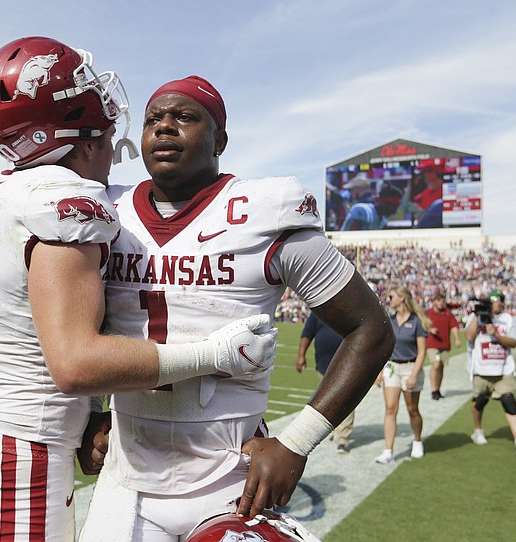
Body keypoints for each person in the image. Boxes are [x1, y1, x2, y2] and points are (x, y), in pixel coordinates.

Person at [0, 39, 278, 542]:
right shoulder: (62, 200)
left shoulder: (1, 192)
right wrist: (213, 354)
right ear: (73, 129)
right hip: (22, 454)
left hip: (3, 440)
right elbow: (77, 363)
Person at [79, 75, 395, 541]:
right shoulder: (106, 211)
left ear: (220, 139)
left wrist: (296, 442)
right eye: (153, 120)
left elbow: (371, 329)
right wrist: (90, 413)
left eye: (184, 117)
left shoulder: (263, 212)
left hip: (232, 482)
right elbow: (81, 329)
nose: (164, 128)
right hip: (127, 481)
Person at [465, 290, 516, 455]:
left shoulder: (508, 319)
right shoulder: (476, 317)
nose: (496, 304)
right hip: (481, 369)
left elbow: (514, 342)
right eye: (493, 301)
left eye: (498, 301)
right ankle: (478, 430)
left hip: (503, 370)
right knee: (480, 401)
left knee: (509, 400)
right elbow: (469, 336)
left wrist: (496, 335)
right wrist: (477, 315)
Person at [375, 285, 430, 464]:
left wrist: (414, 374)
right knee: (390, 408)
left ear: (402, 299)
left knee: (412, 410)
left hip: (410, 368)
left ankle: (417, 441)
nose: (389, 300)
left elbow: (422, 351)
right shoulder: (389, 320)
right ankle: (388, 450)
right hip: (392, 367)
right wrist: (380, 371)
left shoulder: (416, 322)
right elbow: (384, 348)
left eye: (392, 297)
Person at [296, 312, 355, 454]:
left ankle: (342, 439)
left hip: (347, 364)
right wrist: (301, 355)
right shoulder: (318, 310)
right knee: (328, 401)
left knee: (346, 399)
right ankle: (336, 430)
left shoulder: (351, 309)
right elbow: (307, 333)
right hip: (323, 366)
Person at [425, 292, 462, 400]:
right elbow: (422, 324)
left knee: (441, 367)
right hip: (432, 344)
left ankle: (437, 389)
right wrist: (430, 329)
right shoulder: (428, 313)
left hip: (444, 344)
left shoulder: (448, 313)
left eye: (442, 300)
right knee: (435, 365)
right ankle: (433, 389)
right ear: (434, 301)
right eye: (438, 300)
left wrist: (457, 339)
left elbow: (454, 326)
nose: (441, 303)